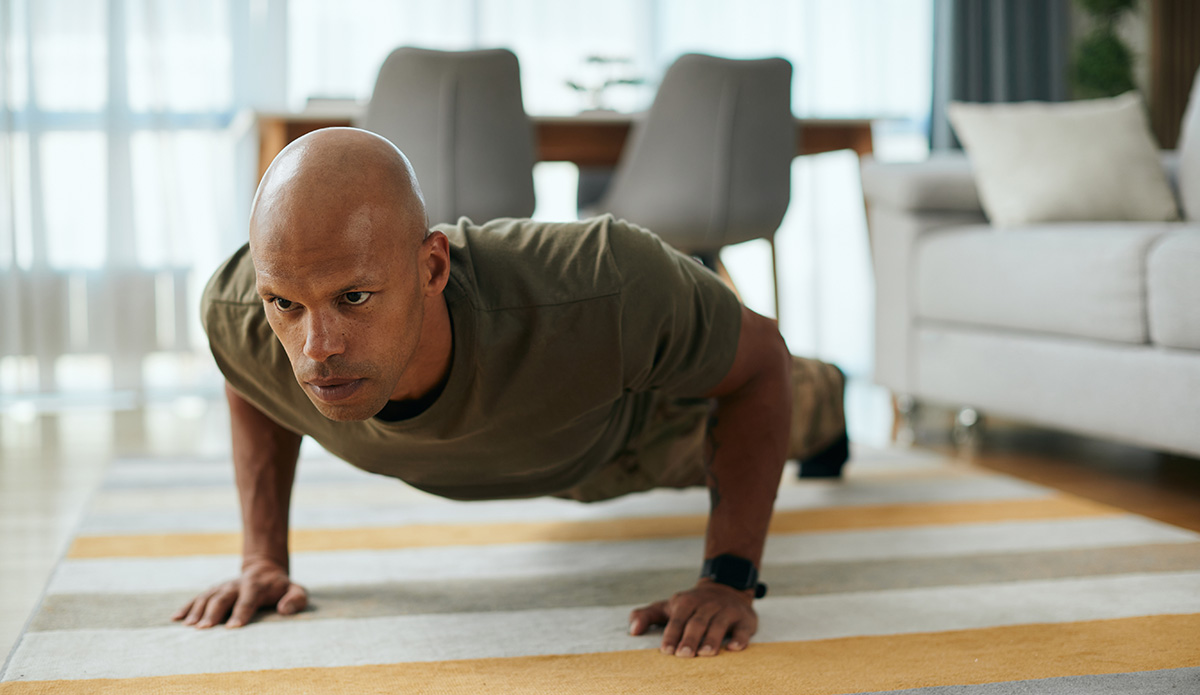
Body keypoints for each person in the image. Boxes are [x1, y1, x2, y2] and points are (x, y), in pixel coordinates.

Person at [175, 128, 846, 658]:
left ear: (432, 265)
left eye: (354, 297)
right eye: (286, 304)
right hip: (514, 443)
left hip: (632, 428)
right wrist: (263, 558)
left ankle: (833, 399)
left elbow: (760, 362)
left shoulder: (602, 283)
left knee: (802, 398)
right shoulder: (241, 314)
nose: (317, 347)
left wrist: (728, 579)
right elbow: (251, 377)